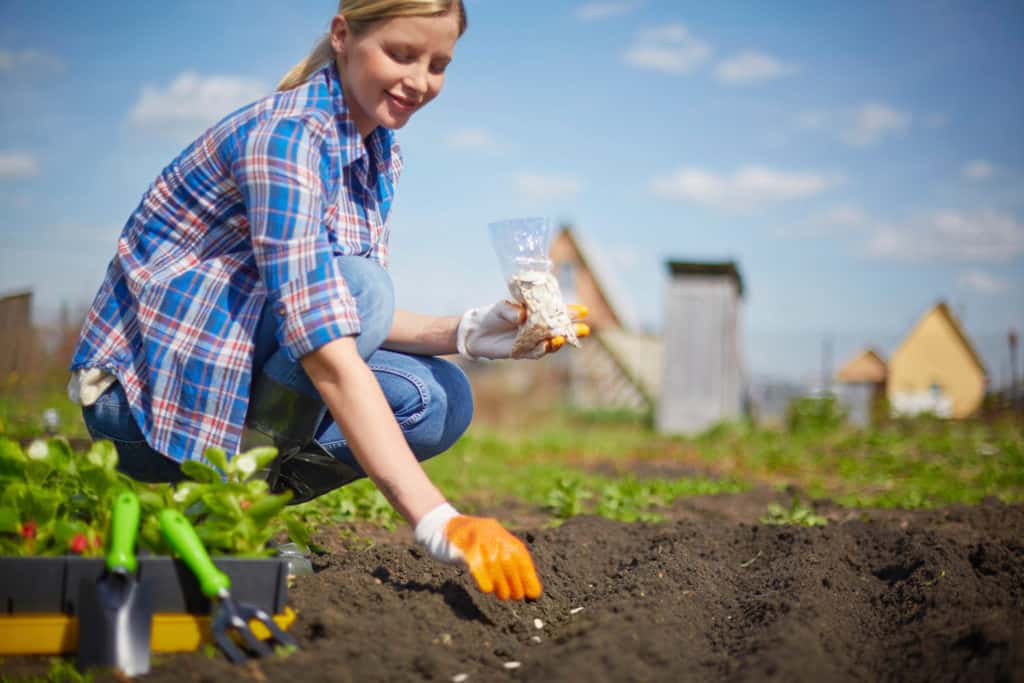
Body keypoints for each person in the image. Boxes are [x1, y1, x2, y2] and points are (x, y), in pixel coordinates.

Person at [68, 0, 588, 603]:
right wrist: (437, 520)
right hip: (142, 405)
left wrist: (469, 332)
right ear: (343, 35)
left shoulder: (375, 152)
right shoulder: (286, 139)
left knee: (439, 399)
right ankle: (228, 504)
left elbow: (335, 311)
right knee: (364, 286)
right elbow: (329, 341)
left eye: (438, 64)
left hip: (227, 384)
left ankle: (235, 506)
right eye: (401, 54)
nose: (420, 81)